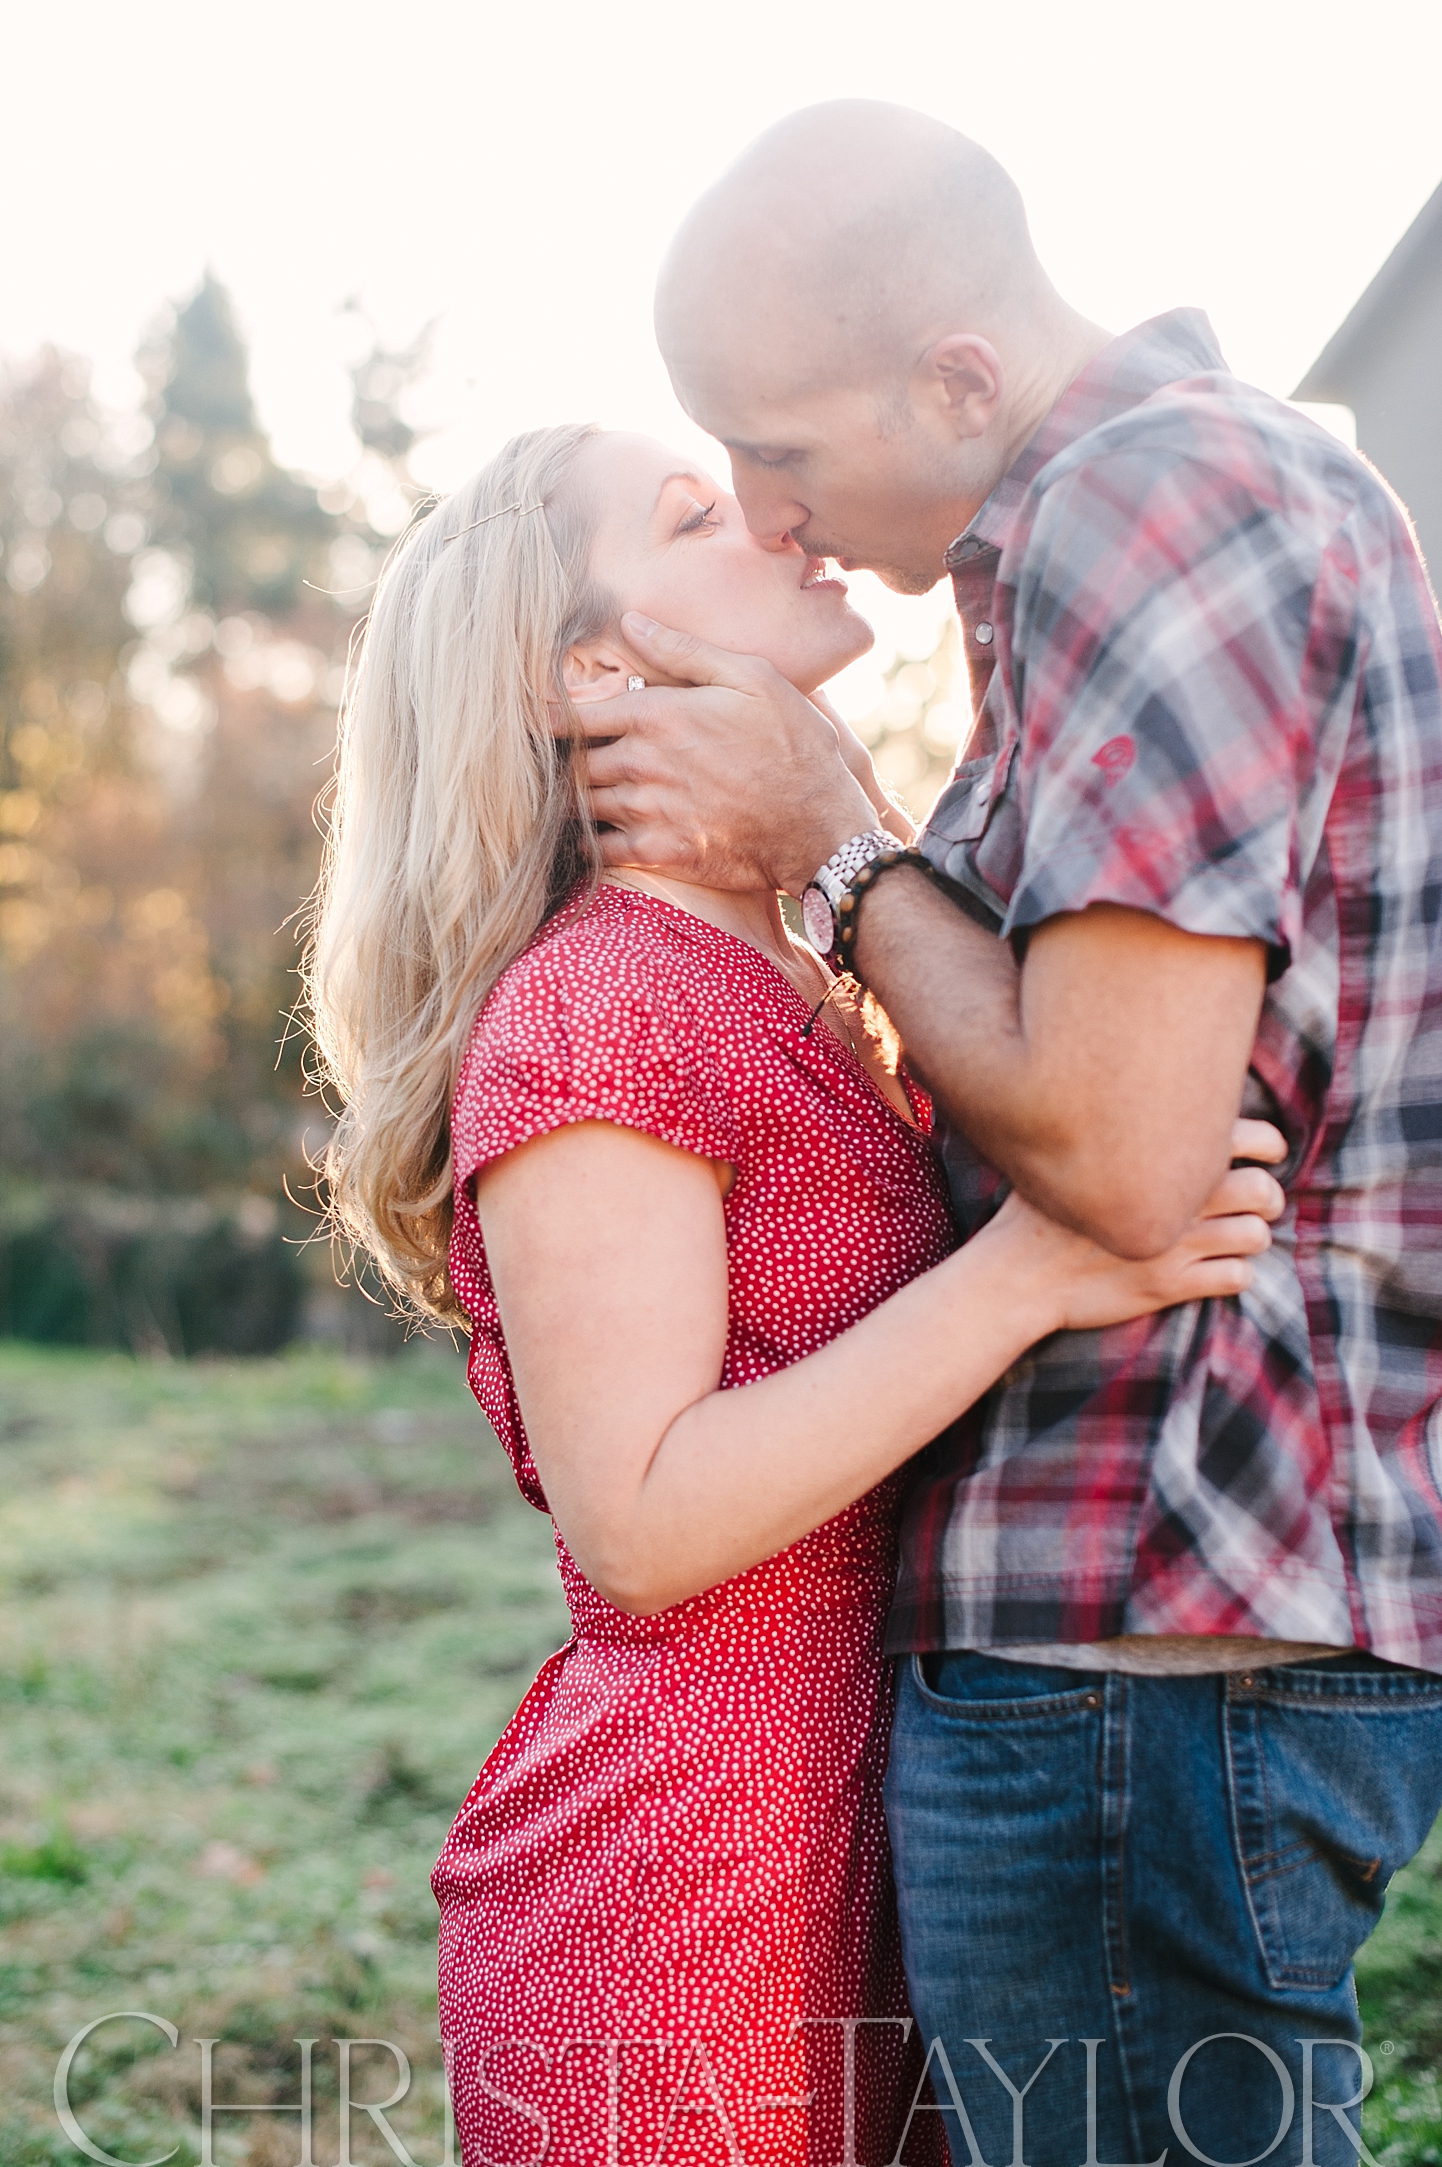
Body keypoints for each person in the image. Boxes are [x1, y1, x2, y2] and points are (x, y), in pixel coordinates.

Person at [566, 101, 1442, 2165]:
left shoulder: (1158, 499)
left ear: (956, 377)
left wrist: (843, 847)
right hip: (1147, 1636)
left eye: (777, 452)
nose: (779, 522)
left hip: (1149, 1614)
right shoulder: (1139, 523)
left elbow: (1129, 1158)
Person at [304, 420, 1283, 2167]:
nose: (775, 522)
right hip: (692, 1886)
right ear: (593, 667)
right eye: (698, 516)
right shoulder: (604, 1005)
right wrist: (1039, 1265)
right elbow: (643, 1521)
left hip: (896, 1818)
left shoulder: (825, 974)